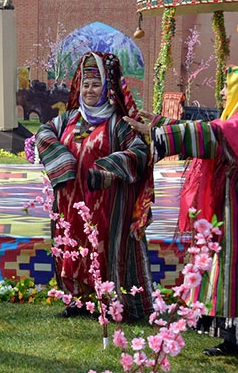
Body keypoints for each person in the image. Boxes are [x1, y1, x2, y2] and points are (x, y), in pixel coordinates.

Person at [125, 65, 238, 365]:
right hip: (234, 213)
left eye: (227, 87)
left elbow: (213, 136)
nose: (221, 93)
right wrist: (159, 123)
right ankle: (235, 340)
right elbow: (211, 132)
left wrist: (157, 132)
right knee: (229, 276)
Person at [35, 51, 154, 321]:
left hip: (106, 205)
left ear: (108, 88)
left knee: (104, 249)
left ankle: (112, 303)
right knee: (72, 247)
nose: (89, 90)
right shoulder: (68, 120)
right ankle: (80, 300)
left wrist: (105, 169)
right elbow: (43, 132)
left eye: (96, 84)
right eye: (86, 85)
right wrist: (61, 160)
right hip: (70, 204)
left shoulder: (119, 124)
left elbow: (139, 153)